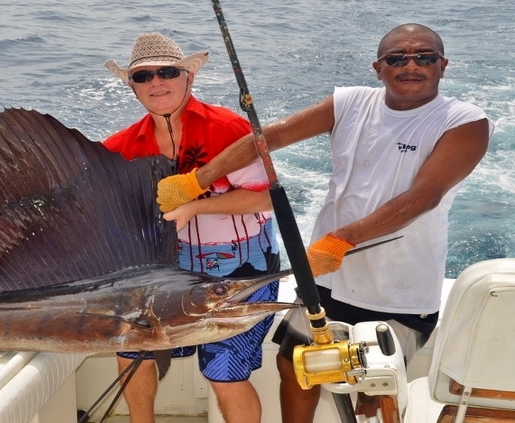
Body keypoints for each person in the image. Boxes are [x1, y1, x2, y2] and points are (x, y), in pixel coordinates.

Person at [156, 23, 493, 422]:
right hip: (328, 280)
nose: (411, 65)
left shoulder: (464, 121)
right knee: (296, 368)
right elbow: (269, 137)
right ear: (378, 67)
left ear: (443, 65)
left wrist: (340, 241)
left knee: (374, 386)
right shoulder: (350, 102)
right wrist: (199, 180)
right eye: (397, 58)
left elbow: (423, 197)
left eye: (425, 57)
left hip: (399, 290)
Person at [103, 32, 280, 423]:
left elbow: (267, 198)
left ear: (189, 78)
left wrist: (196, 208)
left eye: (167, 72)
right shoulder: (118, 148)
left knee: (225, 373)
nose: (156, 83)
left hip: (239, 270)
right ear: (132, 88)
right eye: (142, 77)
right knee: (131, 350)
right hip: (166, 271)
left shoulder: (230, 130)